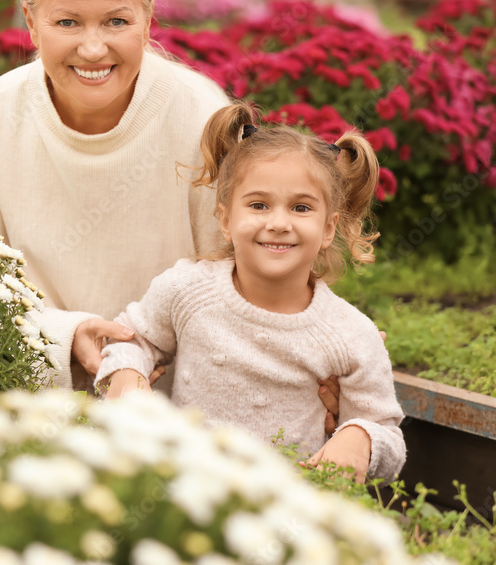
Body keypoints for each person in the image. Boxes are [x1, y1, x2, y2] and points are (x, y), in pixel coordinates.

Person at [0, 0, 342, 430]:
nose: (93, 48)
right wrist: (63, 335)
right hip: (23, 396)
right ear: (32, 23)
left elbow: (239, 267)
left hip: (178, 409)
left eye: (116, 22)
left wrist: (326, 337)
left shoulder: (198, 113)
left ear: (148, 21)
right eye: (67, 23)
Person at [97, 102, 406, 482]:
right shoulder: (188, 290)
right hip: (179, 499)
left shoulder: (350, 334)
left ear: (329, 228)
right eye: (258, 205)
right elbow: (133, 338)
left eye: (300, 208)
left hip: (286, 515)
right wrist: (127, 374)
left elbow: (387, 435)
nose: (278, 223)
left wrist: (359, 437)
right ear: (226, 220)